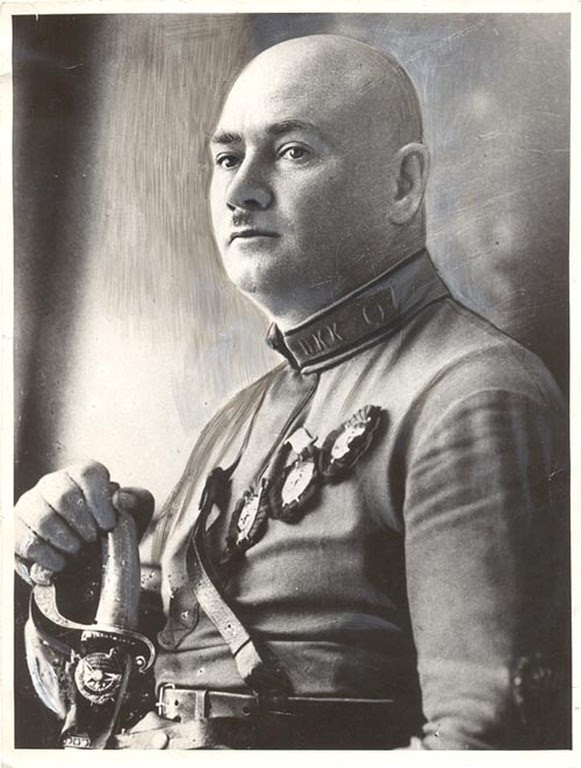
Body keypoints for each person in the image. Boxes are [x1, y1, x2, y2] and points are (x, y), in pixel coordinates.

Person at [14, 34, 569, 750]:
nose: (240, 190)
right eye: (226, 158)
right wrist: (70, 559)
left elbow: (485, 746)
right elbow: (111, 693)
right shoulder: (234, 421)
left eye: (293, 151)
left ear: (402, 185)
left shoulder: (469, 394)